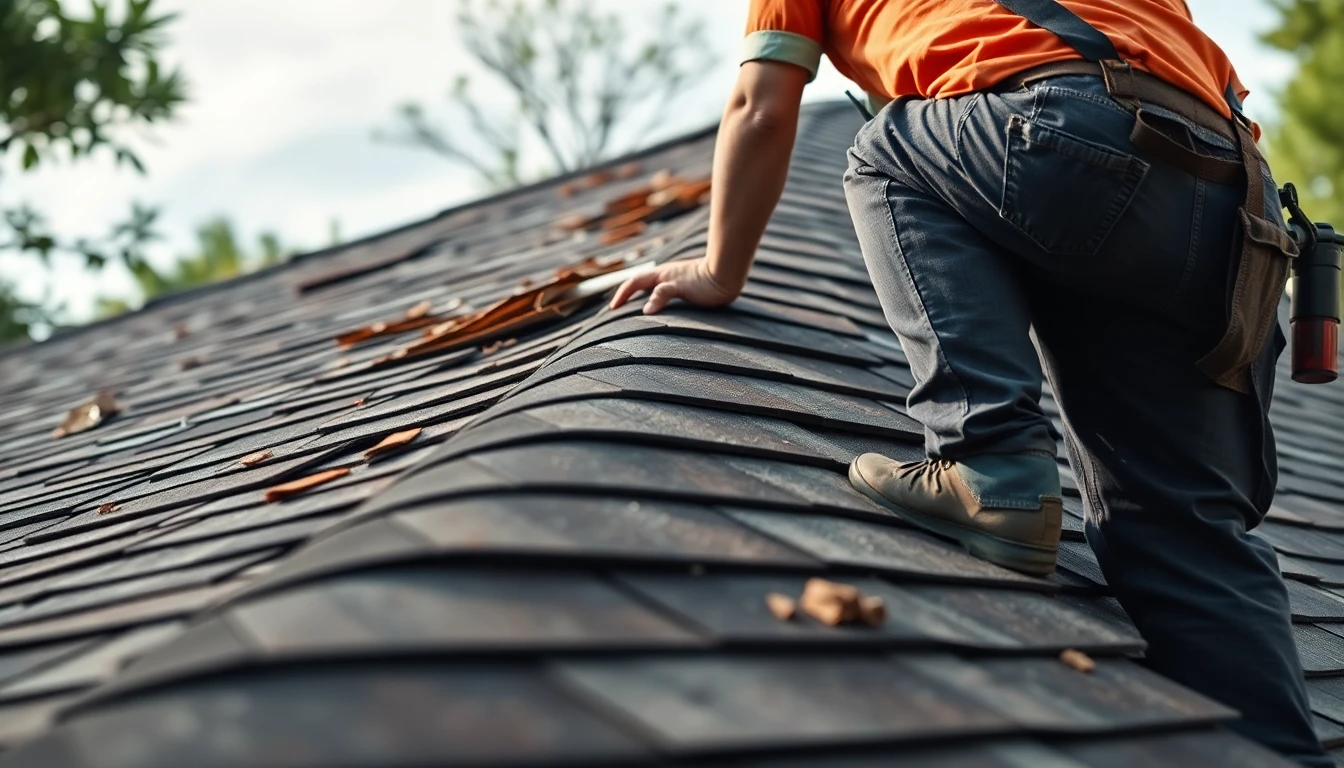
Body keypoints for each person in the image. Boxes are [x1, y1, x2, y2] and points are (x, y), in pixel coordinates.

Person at [608, 0, 1328, 764]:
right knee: (1185, 528)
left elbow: (761, 104)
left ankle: (992, 458)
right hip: (1229, 204)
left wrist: (719, 270)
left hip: (1066, 136)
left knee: (887, 148)